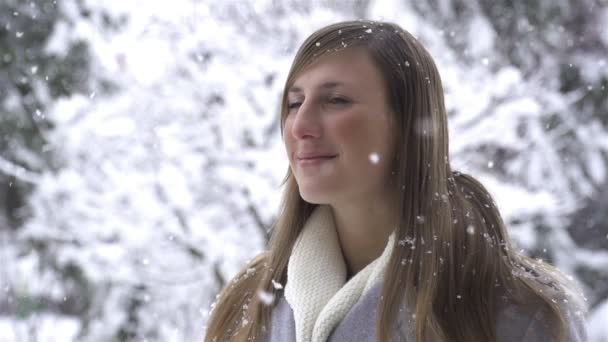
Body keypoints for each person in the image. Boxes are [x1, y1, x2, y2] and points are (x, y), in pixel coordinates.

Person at [204, 20, 587, 342]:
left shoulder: (514, 312)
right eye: (293, 104)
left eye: (335, 101)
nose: (301, 125)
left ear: (406, 123)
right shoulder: (249, 303)